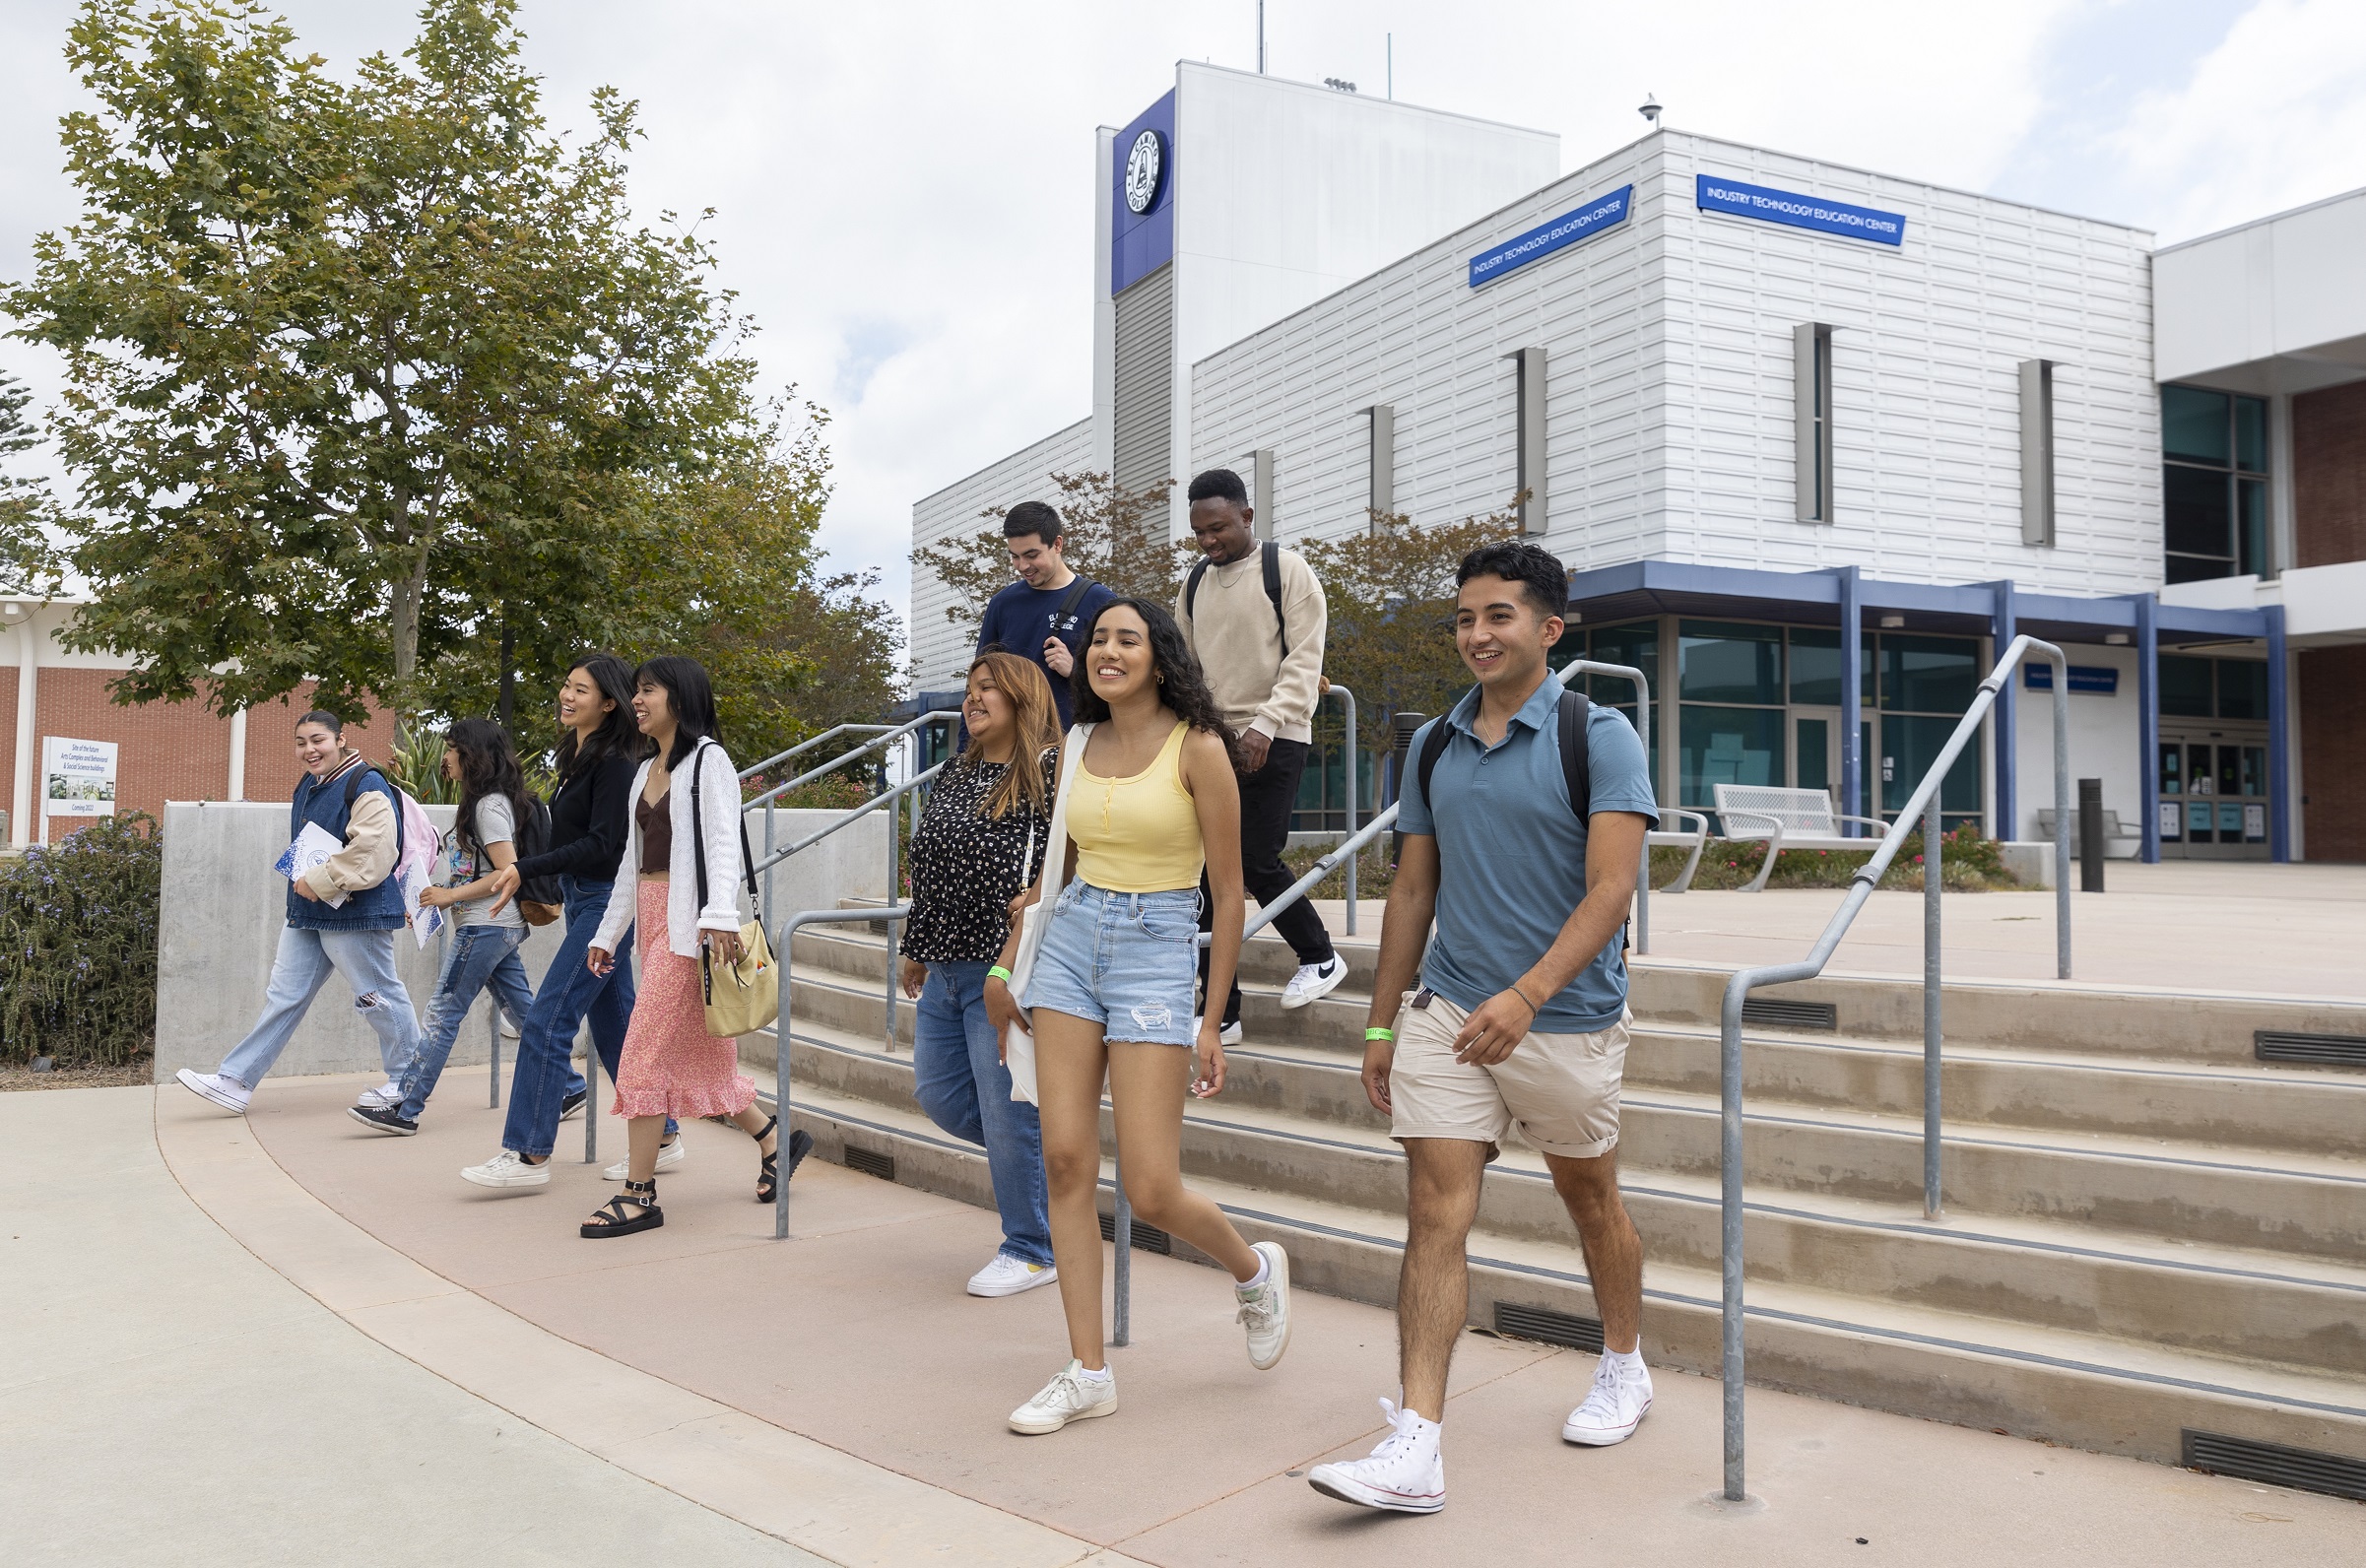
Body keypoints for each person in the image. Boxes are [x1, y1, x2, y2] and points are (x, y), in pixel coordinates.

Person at [1306, 542, 1659, 1515]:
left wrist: (1530, 994)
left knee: (1590, 1198)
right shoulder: (1431, 743)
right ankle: (1414, 1440)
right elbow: (1412, 885)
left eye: (1497, 615)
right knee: (1434, 1209)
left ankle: (1622, 1363)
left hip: (1564, 1017)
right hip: (1452, 1008)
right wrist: (1380, 1025)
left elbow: (1610, 887)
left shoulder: (1600, 734)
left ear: (1547, 628)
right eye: (1464, 617)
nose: (1475, 633)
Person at [986, 599, 1292, 1434]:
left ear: (1161, 657)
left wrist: (1210, 1016)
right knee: (1064, 1160)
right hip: (1074, 943)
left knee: (1152, 1186)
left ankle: (1253, 1268)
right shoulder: (1075, 746)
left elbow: (1229, 896)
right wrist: (1012, 961)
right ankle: (1088, 1370)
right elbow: (1055, 869)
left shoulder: (1200, 748)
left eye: (1128, 639)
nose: (1108, 651)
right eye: (1098, 640)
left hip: (1157, 947)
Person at [577, 655, 809, 1237]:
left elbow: (724, 846)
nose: (637, 700)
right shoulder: (644, 769)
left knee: (642, 1056)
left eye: (648, 690)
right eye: (635, 691)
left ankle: (639, 1193)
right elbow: (632, 866)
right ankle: (775, 1142)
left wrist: (719, 918)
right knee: (702, 1058)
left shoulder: (709, 761)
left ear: (679, 696)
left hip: (691, 929)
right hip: (654, 923)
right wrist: (608, 934)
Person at [459, 654, 677, 1190]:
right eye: (566, 684)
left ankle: (528, 1155)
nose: (566, 695)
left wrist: (525, 867)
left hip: (608, 904)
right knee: (616, 1028)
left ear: (609, 702)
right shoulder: (575, 756)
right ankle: (665, 1132)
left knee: (548, 1019)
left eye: (580, 689)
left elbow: (606, 844)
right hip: (583, 899)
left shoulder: (617, 764)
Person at [898, 650, 1062, 1297]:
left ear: (1023, 699)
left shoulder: (1048, 771)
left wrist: (1039, 893)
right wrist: (917, 943)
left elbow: (1070, 853)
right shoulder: (956, 770)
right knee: (940, 1096)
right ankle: (1049, 1159)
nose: (974, 699)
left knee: (1008, 1114)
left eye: (989, 688)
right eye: (970, 690)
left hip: (1004, 969)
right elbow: (931, 864)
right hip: (944, 968)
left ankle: (1031, 1248)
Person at [176, 711, 422, 1116]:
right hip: (309, 910)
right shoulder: (313, 783)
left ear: (342, 739)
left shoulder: (367, 782)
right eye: (301, 742)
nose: (309, 750)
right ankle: (235, 1081)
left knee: (378, 996)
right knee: (284, 997)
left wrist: (320, 880)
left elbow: (375, 851)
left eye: (318, 740)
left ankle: (409, 1082)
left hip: (352, 913)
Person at [1173, 466, 1343, 1037]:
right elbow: (1186, 666)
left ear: (1247, 516)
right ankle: (1221, 1011)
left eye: (1218, 528)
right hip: (1213, 741)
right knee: (1201, 874)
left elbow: (1305, 659)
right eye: (1199, 531)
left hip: (1277, 735)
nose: (1208, 540)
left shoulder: (1286, 570)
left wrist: (1265, 726)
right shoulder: (1194, 583)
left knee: (1254, 860)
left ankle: (1319, 954)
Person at [349, 719, 537, 1136]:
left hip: (485, 927)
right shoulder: (488, 802)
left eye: (452, 749)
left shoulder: (488, 806)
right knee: (526, 1014)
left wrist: (450, 896)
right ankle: (570, 1088)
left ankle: (406, 1108)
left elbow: (509, 871)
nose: (445, 758)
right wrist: (441, 891)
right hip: (496, 925)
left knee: (441, 1016)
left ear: (471, 755)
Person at [971, 499, 1114, 727]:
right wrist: (964, 751)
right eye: (1015, 556)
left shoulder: (1100, 600)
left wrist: (1075, 671)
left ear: (1057, 544)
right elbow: (977, 684)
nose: (1022, 565)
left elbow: (1121, 682)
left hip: (1075, 743)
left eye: (1031, 555)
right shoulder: (1002, 603)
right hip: (1014, 745)